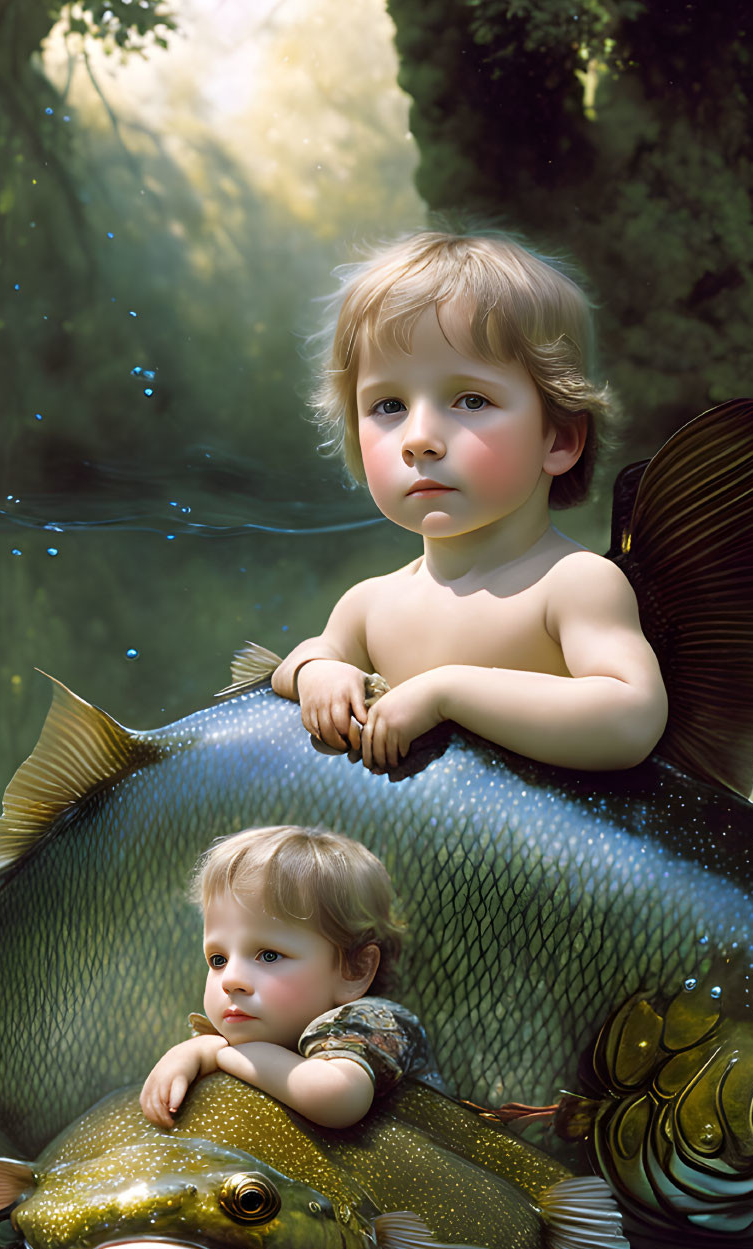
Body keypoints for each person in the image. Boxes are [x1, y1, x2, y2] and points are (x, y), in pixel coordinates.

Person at [271, 228, 668, 773]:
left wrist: (447, 691)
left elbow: (631, 717)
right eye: (388, 405)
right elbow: (297, 662)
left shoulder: (572, 584)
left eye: (471, 399)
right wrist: (318, 673)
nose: (419, 438)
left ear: (559, 439)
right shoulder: (370, 604)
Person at [140, 824, 438, 1131]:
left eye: (269, 955)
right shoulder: (249, 1030)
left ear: (354, 970)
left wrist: (225, 1056)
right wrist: (194, 1052)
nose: (230, 979)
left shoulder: (374, 1021)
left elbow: (337, 1097)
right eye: (218, 960)